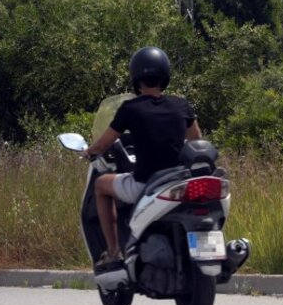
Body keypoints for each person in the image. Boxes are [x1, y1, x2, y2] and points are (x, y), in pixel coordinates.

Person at [84, 46, 201, 269]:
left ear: (136, 77)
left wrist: (89, 151)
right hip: (178, 181)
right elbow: (197, 142)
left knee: (100, 185)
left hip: (145, 184)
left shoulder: (130, 108)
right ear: (165, 75)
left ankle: (113, 251)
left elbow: (104, 143)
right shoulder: (181, 106)